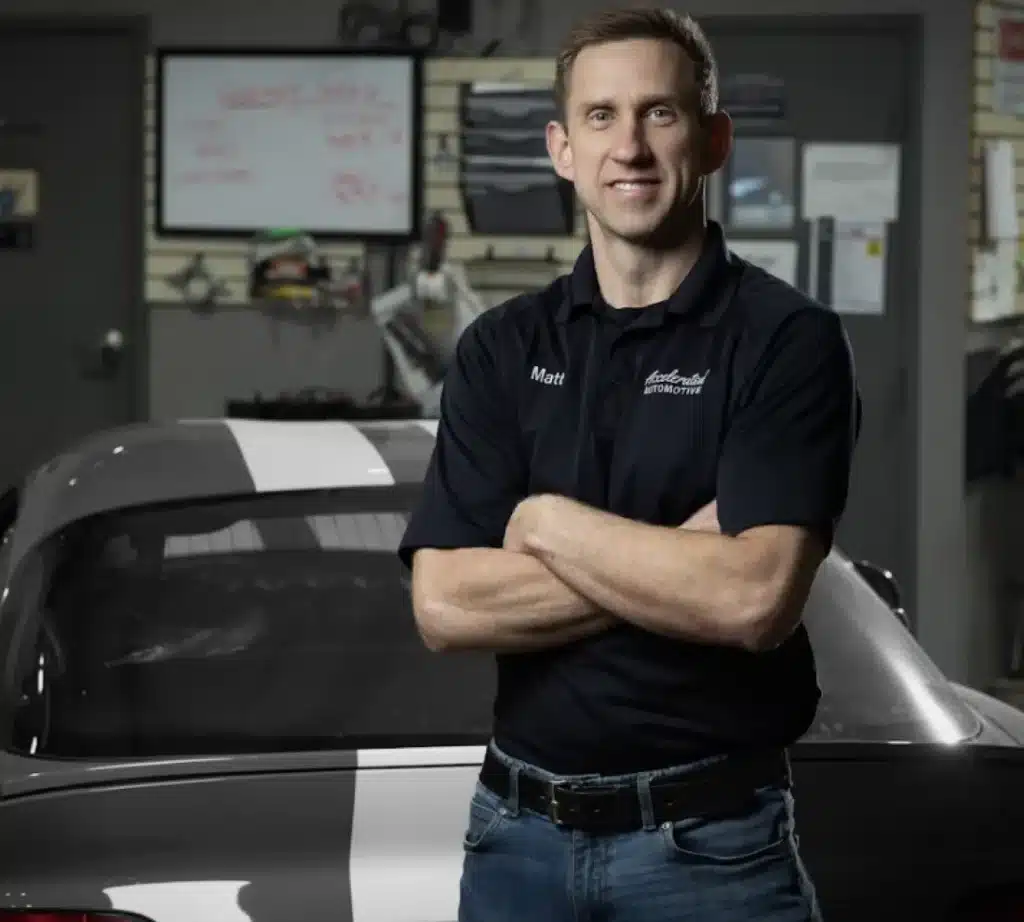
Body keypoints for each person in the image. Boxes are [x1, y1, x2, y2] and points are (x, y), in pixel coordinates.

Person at [398, 7, 860, 921]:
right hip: (515, 842)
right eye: (601, 116)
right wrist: (681, 555)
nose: (631, 148)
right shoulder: (501, 348)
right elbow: (445, 605)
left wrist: (543, 523)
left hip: (712, 850)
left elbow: (751, 600)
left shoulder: (786, 341)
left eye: (661, 113)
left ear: (714, 139)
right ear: (563, 150)